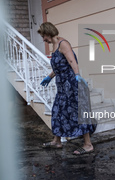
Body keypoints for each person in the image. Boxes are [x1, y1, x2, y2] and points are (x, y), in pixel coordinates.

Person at [38, 22, 96, 155]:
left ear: (48, 33)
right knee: (58, 111)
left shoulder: (63, 44)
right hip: (62, 86)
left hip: (71, 84)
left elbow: (71, 61)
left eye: (43, 36)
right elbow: (59, 67)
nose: (43, 39)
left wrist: (77, 76)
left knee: (78, 112)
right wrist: (49, 77)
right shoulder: (54, 45)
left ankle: (88, 144)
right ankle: (57, 141)